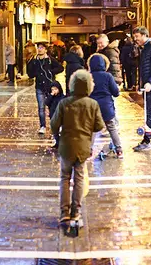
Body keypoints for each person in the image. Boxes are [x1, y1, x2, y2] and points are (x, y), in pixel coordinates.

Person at [50, 70, 105, 225]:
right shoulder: (92, 104)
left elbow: (54, 124)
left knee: (65, 178)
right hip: (83, 148)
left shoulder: (64, 103)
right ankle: (76, 212)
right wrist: (90, 143)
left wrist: (58, 139)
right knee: (79, 178)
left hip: (66, 147)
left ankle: (64, 213)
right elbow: (99, 126)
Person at [88, 54, 123, 158]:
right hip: (107, 107)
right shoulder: (108, 76)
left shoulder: (88, 76)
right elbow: (115, 92)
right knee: (112, 128)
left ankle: (89, 151)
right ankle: (119, 149)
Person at [27, 42, 65, 135]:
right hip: (39, 87)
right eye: (38, 47)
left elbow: (60, 68)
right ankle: (42, 126)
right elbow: (30, 74)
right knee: (41, 107)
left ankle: (56, 125)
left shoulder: (50, 60)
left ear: (45, 49)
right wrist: (31, 63)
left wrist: (51, 72)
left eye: (42, 47)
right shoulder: (35, 60)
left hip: (50, 87)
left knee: (53, 107)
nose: (40, 49)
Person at [45, 81, 66, 151]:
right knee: (55, 131)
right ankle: (57, 142)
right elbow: (47, 102)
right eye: (52, 89)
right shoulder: (51, 97)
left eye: (55, 89)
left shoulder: (62, 97)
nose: (54, 91)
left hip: (60, 116)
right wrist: (51, 95)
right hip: (53, 115)